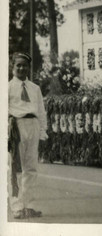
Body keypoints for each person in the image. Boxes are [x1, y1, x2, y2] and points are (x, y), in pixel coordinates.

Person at [8, 52, 48, 219]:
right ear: (12, 67)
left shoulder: (34, 88)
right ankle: (17, 206)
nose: (22, 68)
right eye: (18, 65)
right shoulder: (7, 87)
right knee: (14, 168)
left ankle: (29, 205)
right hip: (16, 127)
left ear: (29, 67)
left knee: (31, 167)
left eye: (25, 65)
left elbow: (41, 111)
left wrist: (42, 133)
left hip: (32, 125)